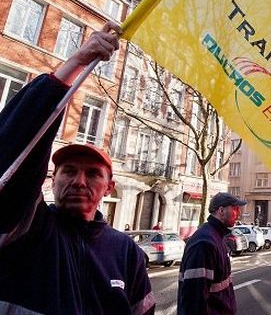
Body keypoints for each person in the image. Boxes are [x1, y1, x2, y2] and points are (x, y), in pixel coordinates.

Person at [0, 22, 155, 315]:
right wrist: (76, 62)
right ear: (52, 179)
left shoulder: (128, 252)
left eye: (93, 173)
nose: (79, 181)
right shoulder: (25, 226)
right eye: (69, 171)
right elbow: (17, 149)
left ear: (109, 187)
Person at [177, 192, 247, 314]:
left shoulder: (216, 236)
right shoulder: (204, 243)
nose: (239, 214)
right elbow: (194, 299)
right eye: (235, 209)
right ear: (221, 211)